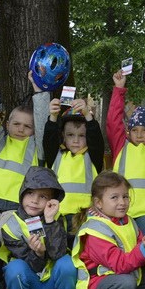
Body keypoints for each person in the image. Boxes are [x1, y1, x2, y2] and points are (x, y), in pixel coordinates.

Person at [71, 171, 145, 289]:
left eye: (125, 196)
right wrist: (143, 250)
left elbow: (139, 258)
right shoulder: (95, 230)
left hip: (124, 275)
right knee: (126, 282)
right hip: (98, 285)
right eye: (114, 197)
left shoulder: (128, 221)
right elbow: (120, 265)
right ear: (98, 203)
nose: (122, 202)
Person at [0, 167, 77, 289]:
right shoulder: (11, 225)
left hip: (54, 288)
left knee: (67, 263)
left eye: (43, 196)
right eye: (30, 193)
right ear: (22, 193)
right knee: (15, 267)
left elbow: (58, 254)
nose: (34, 201)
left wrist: (50, 221)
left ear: (52, 200)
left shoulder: (58, 219)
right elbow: (25, 263)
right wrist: (38, 254)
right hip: (30, 288)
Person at [0, 70, 50, 213]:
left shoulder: (36, 147)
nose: (21, 129)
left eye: (27, 126)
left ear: (34, 130)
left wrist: (39, 91)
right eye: (16, 124)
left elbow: (42, 122)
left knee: (9, 226)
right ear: (7, 125)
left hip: (18, 204)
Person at [108, 70, 145, 234]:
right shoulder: (122, 147)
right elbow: (113, 122)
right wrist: (119, 89)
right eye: (134, 130)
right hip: (120, 211)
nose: (139, 135)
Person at [44, 97, 104, 236]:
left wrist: (87, 114)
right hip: (58, 216)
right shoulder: (56, 155)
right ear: (63, 136)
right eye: (70, 135)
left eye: (82, 135)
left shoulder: (92, 157)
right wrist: (53, 117)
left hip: (85, 217)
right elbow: (49, 138)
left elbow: (96, 139)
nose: (76, 140)